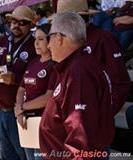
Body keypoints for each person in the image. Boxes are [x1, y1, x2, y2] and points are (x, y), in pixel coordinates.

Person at [40, 12, 115, 160]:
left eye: (49, 38)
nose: (48, 45)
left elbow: (80, 142)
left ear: (59, 38)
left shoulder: (79, 73)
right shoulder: (79, 66)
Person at [0, 5, 38, 159]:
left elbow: (38, 80)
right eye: (13, 21)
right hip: (1, 110)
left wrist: (16, 79)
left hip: (22, 112)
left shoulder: (35, 45)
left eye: (22, 23)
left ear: (30, 25)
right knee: (8, 156)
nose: (16, 25)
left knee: (24, 156)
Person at [14, 23, 56, 160]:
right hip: (27, 123)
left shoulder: (54, 65)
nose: (36, 43)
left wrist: (21, 107)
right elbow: (21, 90)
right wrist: (20, 112)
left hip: (44, 124)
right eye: (35, 39)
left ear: (50, 41)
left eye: (41, 39)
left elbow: (48, 97)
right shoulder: (33, 63)